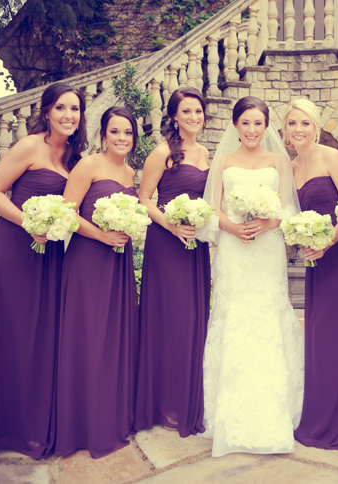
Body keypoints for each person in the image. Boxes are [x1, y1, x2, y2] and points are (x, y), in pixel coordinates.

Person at [199, 96, 304, 457]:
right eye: (245, 122)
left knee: (267, 317)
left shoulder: (279, 161)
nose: (252, 129)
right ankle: (228, 416)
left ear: (266, 126)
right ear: (235, 125)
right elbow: (211, 209)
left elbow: (288, 208)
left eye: (258, 123)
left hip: (266, 249)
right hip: (234, 249)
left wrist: (268, 222)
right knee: (233, 317)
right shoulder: (224, 161)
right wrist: (230, 226)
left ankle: (273, 412)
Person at [0, 83, 87, 459]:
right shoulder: (29, 146)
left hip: (50, 255)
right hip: (15, 249)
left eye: (75, 109)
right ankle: (7, 428)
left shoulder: (76, 157)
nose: (69, 115)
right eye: (61, 107)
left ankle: (35, 425)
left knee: (42, 337)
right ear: (47, 111)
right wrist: (27, 222)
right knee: (14, 333)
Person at [282, 98, 338, 449]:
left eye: (305, 122)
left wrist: (327, 242)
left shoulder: (331, 156)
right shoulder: (289, 168)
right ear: (285, 129)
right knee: (323, 338)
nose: (299, 129)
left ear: (316, 126)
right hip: (318, 261)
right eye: (293, 123)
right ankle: (324, 415)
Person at [55, 106, 140, 458]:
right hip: (88, 261)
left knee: (113, 339)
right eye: (115, 131)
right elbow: (66, 212)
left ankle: (109, 418)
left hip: (118, 263)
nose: (122, 138)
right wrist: (102, 236)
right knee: (88, 338)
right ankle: (80, 426)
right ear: (103, 135)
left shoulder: (131, 172)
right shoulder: (88, 165)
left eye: (128, 132)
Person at [134, 87, 211, 437]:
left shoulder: (206, 153)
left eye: (198, 111)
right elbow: (144, 198)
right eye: (187, 111)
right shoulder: (163, 152)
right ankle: (164, 404)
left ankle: (187, 397)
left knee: (193, 318)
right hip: (166, 244)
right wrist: (171, 225)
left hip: (195, 246)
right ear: (175, 116)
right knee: (171, 319)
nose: (194, 117)